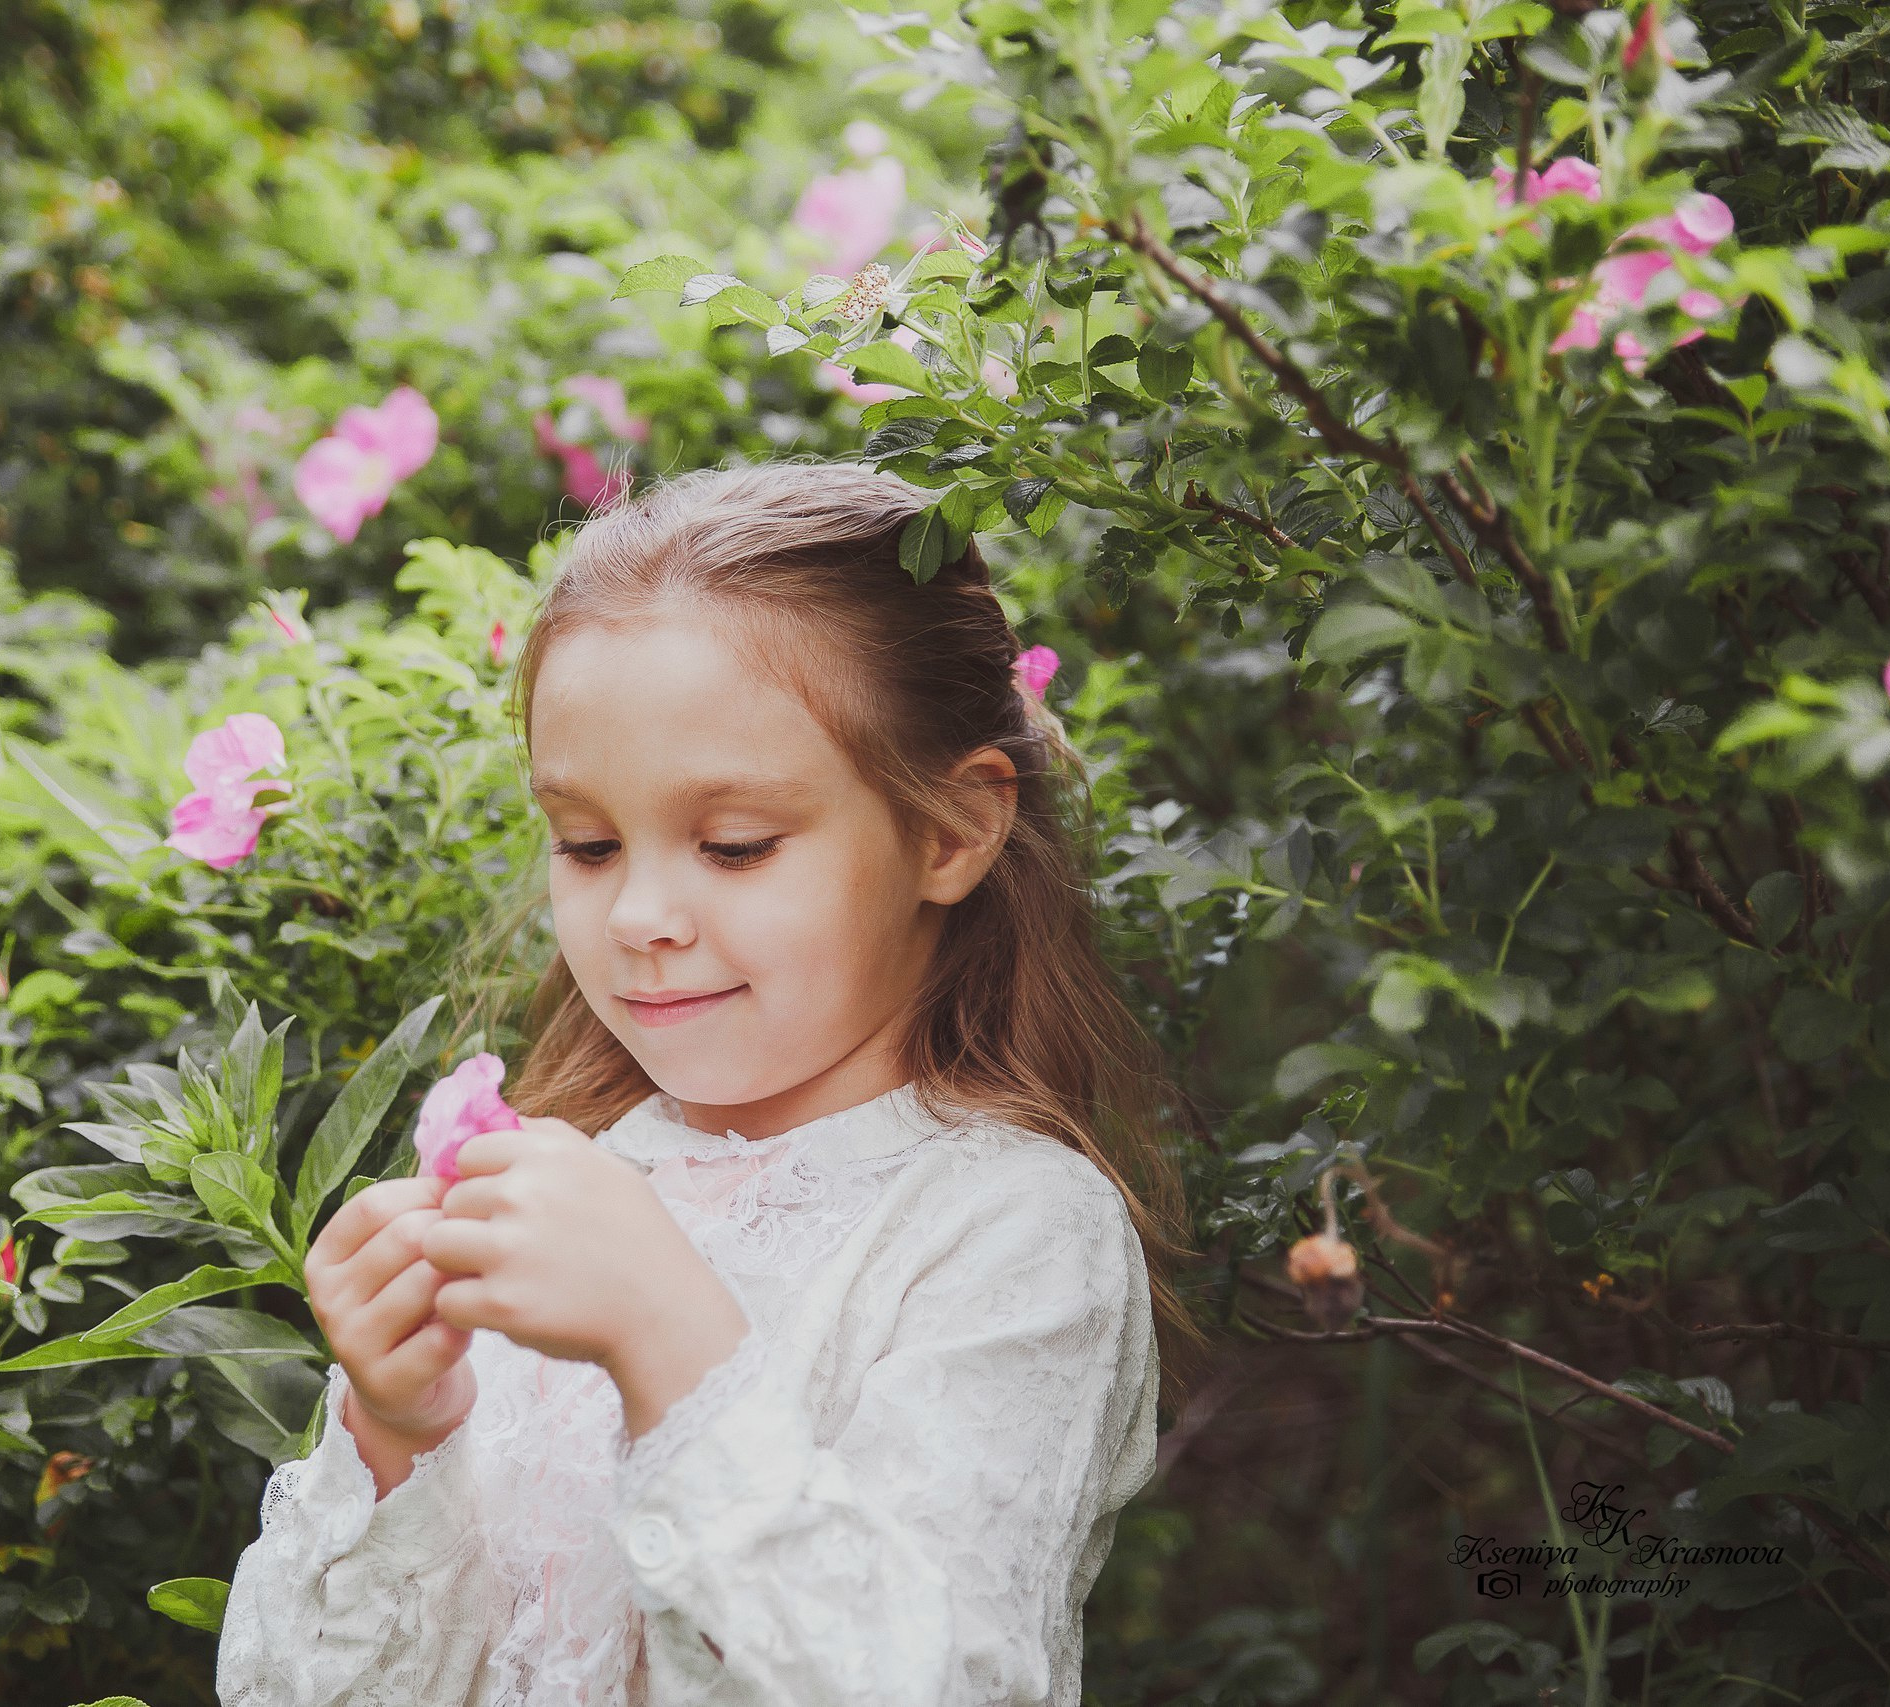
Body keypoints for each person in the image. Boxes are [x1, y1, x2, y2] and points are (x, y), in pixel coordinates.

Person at [214, 460, 1198, 1707]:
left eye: (734, 846)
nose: (637, 915)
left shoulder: (1007, 1233)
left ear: (949, 832)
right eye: (587, 843)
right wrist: (401, 1437)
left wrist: (669, 1339)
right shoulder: (566, 1185)